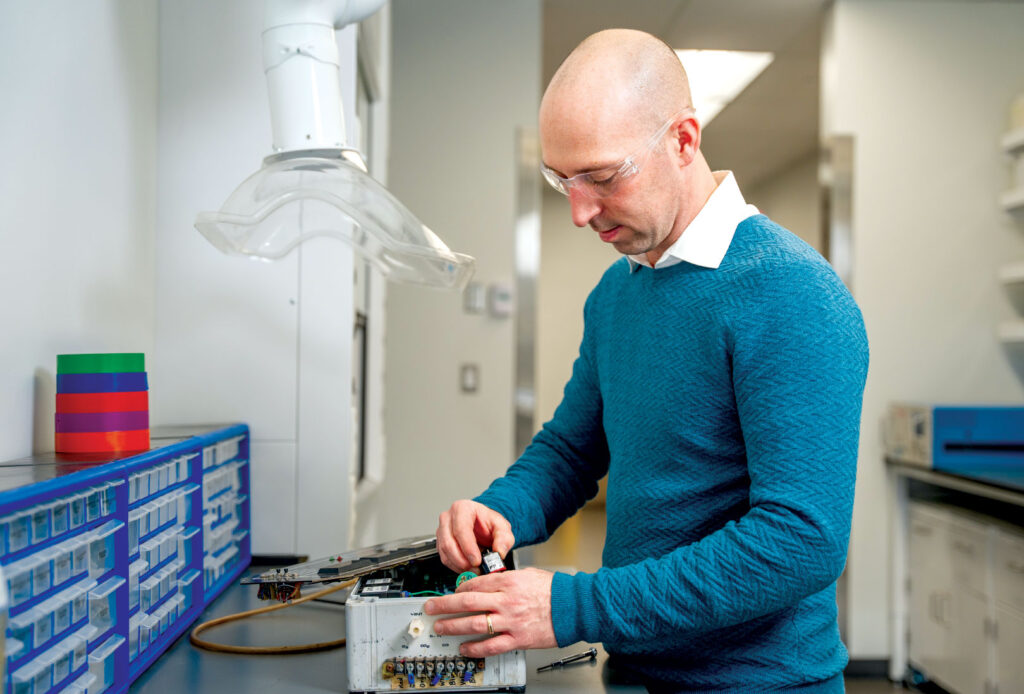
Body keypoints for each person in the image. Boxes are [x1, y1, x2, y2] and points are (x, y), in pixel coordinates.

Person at [423, 28, 869, 693]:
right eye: (561, 180)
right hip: (636, 671)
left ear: (683, 141)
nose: (579, 212)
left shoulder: (792, 294)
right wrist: (503, 509)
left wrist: (572, 606)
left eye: (601, 177)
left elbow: (801, 541)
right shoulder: (618, 291)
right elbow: (573, 450)